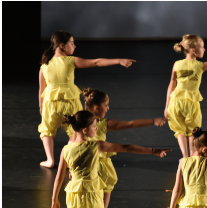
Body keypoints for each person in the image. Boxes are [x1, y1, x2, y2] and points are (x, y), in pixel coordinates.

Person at [38, 30, 136, 168]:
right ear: (62, 45)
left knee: (47, 131)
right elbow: (96, 62)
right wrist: (118, 60)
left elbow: (41, 90)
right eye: (72, 43)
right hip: (70, 102)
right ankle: (67, 160)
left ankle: (50, 160)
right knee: (76, 131)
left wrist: (41, 107)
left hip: (50, 103)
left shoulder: (44, 66)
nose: (75, 46)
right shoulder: (70, 61)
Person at [65, 88, 167, 208]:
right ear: (96, 108)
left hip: (85, 165)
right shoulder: (101, 124)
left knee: (92, 192)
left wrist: (72, 166)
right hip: (99, 165)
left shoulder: (79, 121)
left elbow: (72, 144)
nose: (108, 108)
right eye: (106, 105)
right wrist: (152, 122)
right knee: (105, 189)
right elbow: (130, 127)